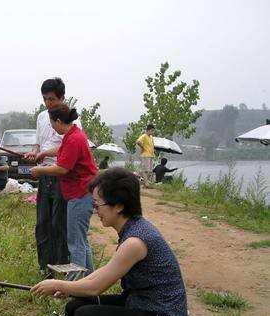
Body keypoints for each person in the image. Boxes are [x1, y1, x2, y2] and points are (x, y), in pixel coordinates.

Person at [31, 167, 188, 316]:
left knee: (84, 313)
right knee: (75, 305)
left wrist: (58, 284)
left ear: (119, 206)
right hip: (138, 302)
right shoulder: (133, 228)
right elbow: (105, 271)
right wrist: (70, 288)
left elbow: (96, 288)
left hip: (159, 311)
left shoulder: (135, 242)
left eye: (97, 205)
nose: (95, 211)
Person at [23, 78, 84, 275]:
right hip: (44, 175)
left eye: (52, 99)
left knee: (59, 224)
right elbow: (38, 143)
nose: (48, 103)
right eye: (45, 99)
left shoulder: (71, 120)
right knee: (43, 223)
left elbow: (69, 148)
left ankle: (61, 267)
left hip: (61, 176)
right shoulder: (42, 117)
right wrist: (35, 152)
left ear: (62, 98)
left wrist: (45, 154)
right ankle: (44, 266)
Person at [30, 104, 97, 277]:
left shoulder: (74, 139)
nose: (52, 128)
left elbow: (62, 169)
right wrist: (43, 153)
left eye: (52, 125)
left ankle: (74, 286)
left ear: (59, 121)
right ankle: (89, 280)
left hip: (80, 195)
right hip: (81, 194)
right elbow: (61, 150)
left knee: (75, 243)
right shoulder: (72, 134)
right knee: (81, 241)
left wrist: (39, 170)